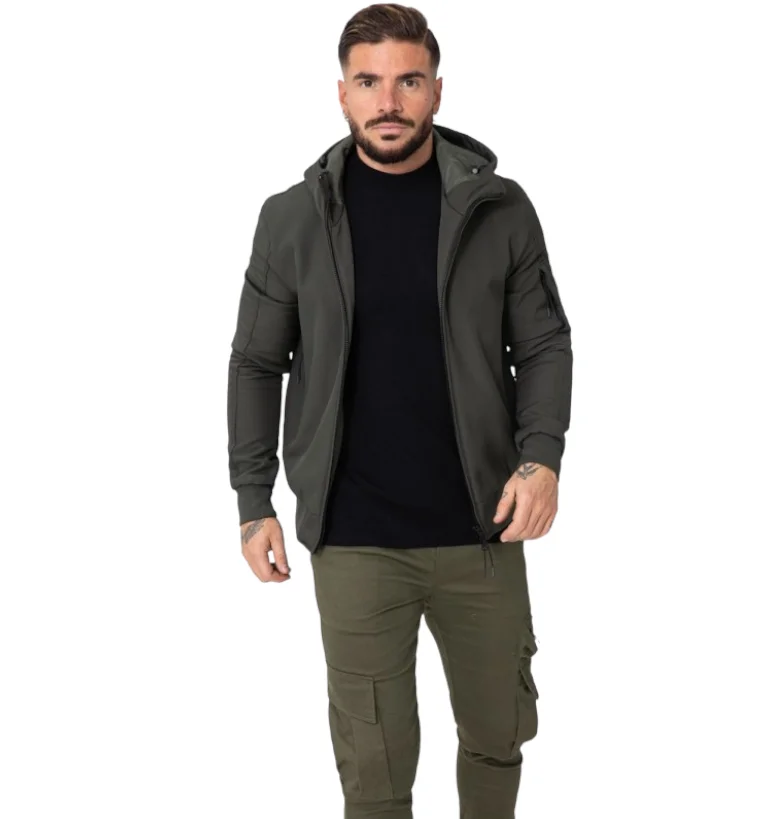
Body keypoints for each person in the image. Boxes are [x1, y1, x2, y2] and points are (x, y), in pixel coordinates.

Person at [226, 4, 573, 817]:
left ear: (437, 91)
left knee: (497, 733)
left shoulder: (499, 208)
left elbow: (544, 344)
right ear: (341, 94)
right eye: (369, 82)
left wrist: (541, 456)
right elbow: (255, 363)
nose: (388, 101)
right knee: (374, 770)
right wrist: (252, 499)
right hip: (354, 538)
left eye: (408, 81)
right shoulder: (291, 219)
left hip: (483, 526)